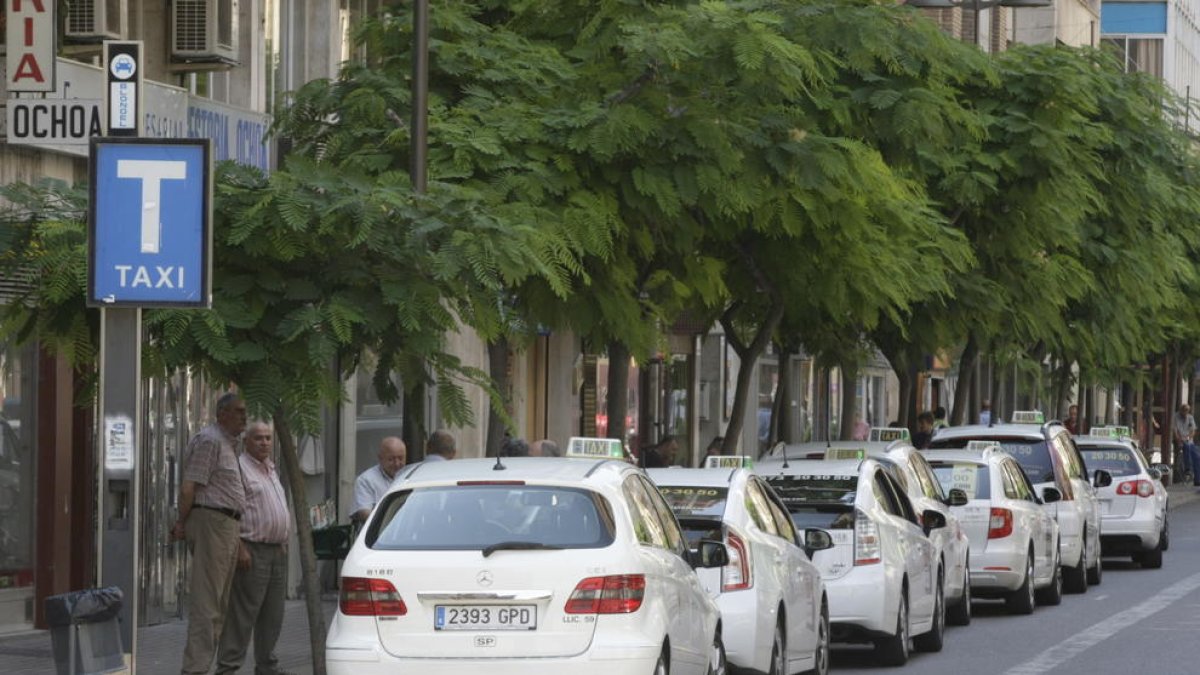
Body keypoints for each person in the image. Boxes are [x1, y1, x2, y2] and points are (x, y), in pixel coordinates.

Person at [172, 392, 248, 675]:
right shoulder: (210, 441)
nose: (244, 417)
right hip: (211, 522)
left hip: (226, 525)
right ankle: (194, 669)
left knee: (218, 604)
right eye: (239, 411)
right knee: (207, 603)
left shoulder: (228, 445)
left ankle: (202, 666)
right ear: (222, 414)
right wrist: (181, 522)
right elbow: (189, 487)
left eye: (245, 411)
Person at [215, 422, 291, 675]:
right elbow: (228, 513)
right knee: (242, 615)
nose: (264, 442)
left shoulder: (270, 468)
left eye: (268, 438)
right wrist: (239, 548)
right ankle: (227, 668)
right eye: (258, 438)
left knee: (273, 615)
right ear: (246, 441)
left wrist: (282, 541)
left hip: (276, 551)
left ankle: (267, 667)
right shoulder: (239, 469)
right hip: (251, 550)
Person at [352, 437, 406, 523]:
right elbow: (365, 513)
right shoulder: (366, 480)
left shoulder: (411, 477)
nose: (397, 464)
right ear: (380, 458)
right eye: (391, 459)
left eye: (400, 458)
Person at [1174, 404, 1198, 485]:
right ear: (1181, 411)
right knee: (1186, 447)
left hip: (1188, 440)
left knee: (1196, 455)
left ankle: (1196, 477)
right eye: (1184, 411)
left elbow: (1193, 431)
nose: (1185, 413)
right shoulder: (1176, 417)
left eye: (1187, 411)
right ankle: (1188, 469)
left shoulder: (1190, 417)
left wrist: (1188, 438)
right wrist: (1179, 439)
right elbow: (1175, 431)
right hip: (1180, 439)